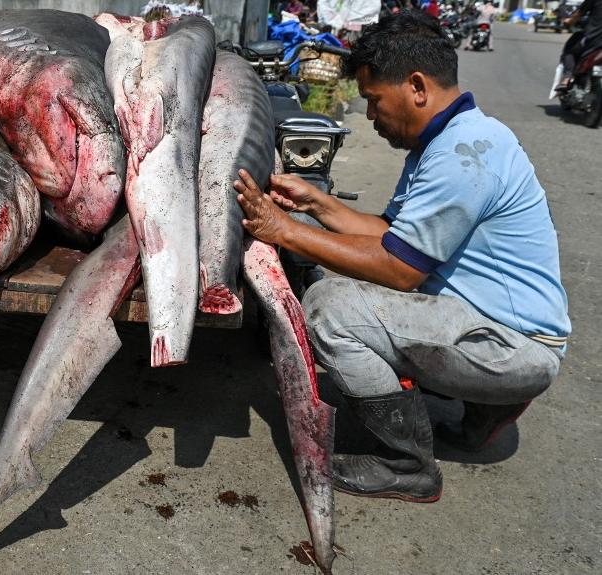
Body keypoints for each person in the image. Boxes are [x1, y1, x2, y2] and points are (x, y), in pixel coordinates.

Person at [235, 11, 569, 503]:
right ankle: (485, 408)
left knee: (331, 307)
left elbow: (399, 269)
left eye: (373, 100)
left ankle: (406, 464)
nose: (370, 115)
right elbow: (394, 236)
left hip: (511, 345)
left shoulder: (462, 156)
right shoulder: (448, 140)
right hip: (503, 324)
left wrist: (282, 231)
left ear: (416, 86)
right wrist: (316, 204)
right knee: (348, 276)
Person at [560, 0, 602, 82]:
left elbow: (579, 13)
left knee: (570, 50)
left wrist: (568, 21)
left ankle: (567, 78)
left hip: (594, 40)